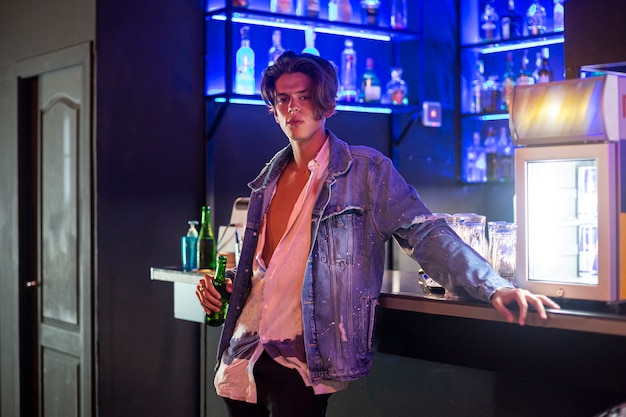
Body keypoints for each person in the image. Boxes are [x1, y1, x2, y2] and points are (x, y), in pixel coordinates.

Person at [196, 51, 560, 417]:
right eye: (283, 100)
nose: (293, 108)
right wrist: (222, 285)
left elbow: (425, 233)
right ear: (273, 110)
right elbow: (266, 270)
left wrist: (492, 284)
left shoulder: (366, 172)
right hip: (243, 356)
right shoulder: (266, 182)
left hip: (305, 362)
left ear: (328, 103)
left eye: (304, 96)